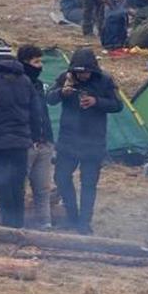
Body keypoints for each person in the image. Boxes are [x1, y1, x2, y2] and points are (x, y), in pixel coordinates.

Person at [47, 48, 122, 234]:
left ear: (92, 70)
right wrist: (62, 92)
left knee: (88, 183)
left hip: (93, 141)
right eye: (79, 72)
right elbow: (49, 98)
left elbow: (117, 105)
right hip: (68, 139)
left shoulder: (104, 80)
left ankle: (84, 222)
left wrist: (97, 102)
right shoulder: (66, 77)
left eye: (85, 72)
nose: (82, 76)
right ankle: (71, 216)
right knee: (61, 177)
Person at [0, 38, 42, 229]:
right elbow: (36, 112)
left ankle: (8, 227)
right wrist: (35, 137)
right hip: (21, 143)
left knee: (2, 186)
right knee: (18, 186)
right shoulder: (25, 80)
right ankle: (18, 226)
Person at [17, 45, 55, 230]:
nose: (39, 66)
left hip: (44, 142)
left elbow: (43, 112)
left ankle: (45, 222)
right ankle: (19, 222)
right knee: (20, 186)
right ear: (25, 63)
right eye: (36, 62)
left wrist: (48, 138)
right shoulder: (17, 83)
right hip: (26, 143)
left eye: (40, 61)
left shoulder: (39, 85)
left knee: (43, 187)